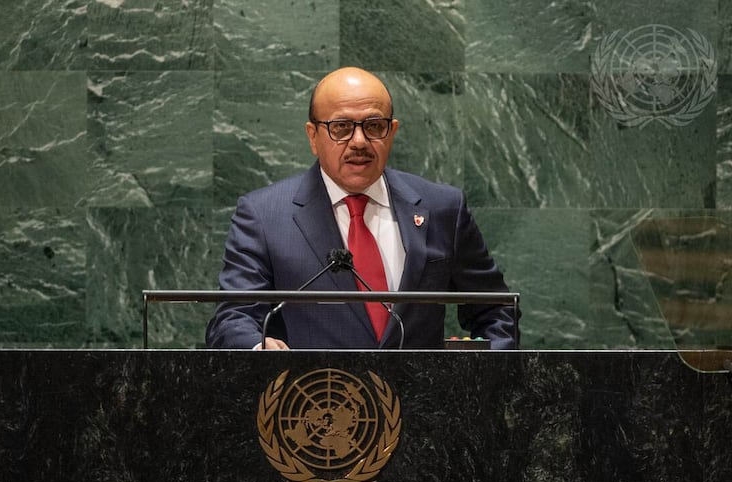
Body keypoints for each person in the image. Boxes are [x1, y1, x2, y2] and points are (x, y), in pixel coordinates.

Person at [206, 67, 518, 350]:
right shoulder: (264, 215)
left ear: (392, 132)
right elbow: (233, 318)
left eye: (374, 125)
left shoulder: (442, 208)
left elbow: (495, 309)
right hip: (315, 402)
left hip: (424, 406)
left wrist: (485, 369)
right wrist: (259, 350)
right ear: (313, 137)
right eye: (341, 127)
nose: (359, 141)